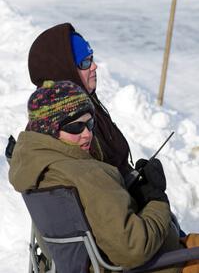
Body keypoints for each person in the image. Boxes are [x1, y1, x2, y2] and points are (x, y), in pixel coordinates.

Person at [9, 80, 184, 273]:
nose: (87, 134)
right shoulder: (87, 174)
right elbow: (133, 249)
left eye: (90, 123)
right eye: (76, 127)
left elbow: (94, 208)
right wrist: (157, 198)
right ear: (50, 130)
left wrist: (129, 189)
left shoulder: (37, 166)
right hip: (159, 263)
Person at [28, 23, 134, 187]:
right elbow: (99, 190)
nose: (94, 66)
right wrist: (153, 197)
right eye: (84, 63)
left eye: (91, 59)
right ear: (63, 70)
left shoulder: (84, 106)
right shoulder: (66, 125)